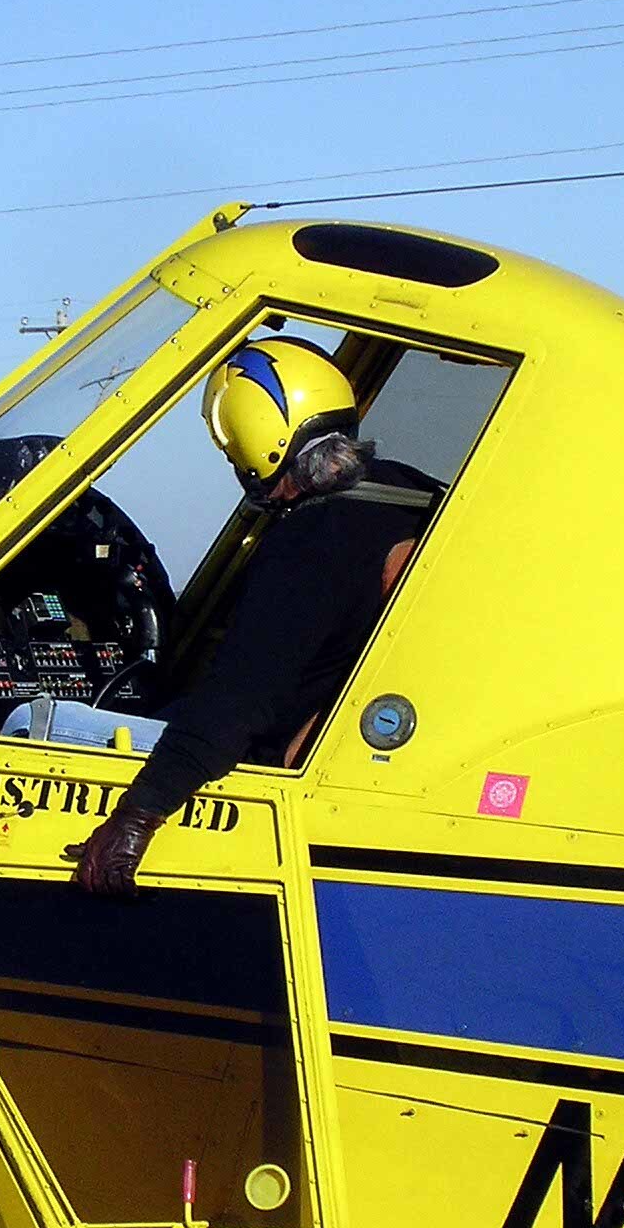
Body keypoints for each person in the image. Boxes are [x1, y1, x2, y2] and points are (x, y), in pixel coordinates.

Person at [67, 337, 439, 896]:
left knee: (34, 719)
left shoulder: (311, 537)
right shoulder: (416, 497)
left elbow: (237, 704)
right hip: (343, 754)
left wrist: (136, 818)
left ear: (258, 439)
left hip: (262, 762)